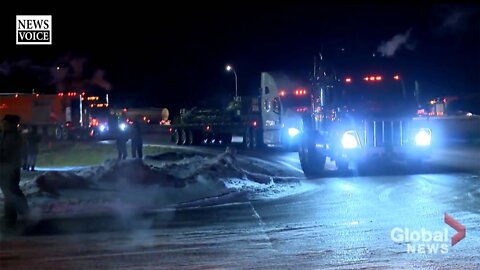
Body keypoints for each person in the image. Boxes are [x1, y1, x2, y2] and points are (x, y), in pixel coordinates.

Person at [0, 115, 29, 223]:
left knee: (12, 191)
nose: (3, 125)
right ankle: (12, 214)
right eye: (3, 123)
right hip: (3, 167)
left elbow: (14, 152)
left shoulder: (16, 137)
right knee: (9, 192)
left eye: (5, 124)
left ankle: (22, 212)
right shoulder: (4, 135)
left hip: (11, 167)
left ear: (12, 125)